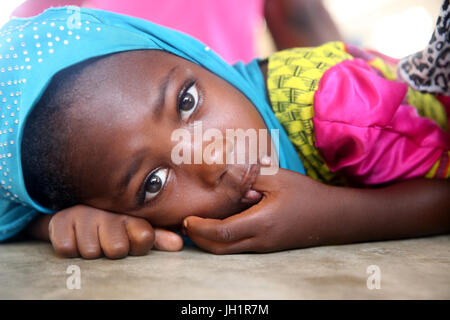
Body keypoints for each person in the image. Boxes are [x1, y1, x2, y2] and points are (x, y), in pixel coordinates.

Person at [0, 5, 448, 259]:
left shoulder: (341, 107)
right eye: (153, 182)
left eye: (188, 103)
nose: (211, 158)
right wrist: (57, 224)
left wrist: (329, 218)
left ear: (198, 57)